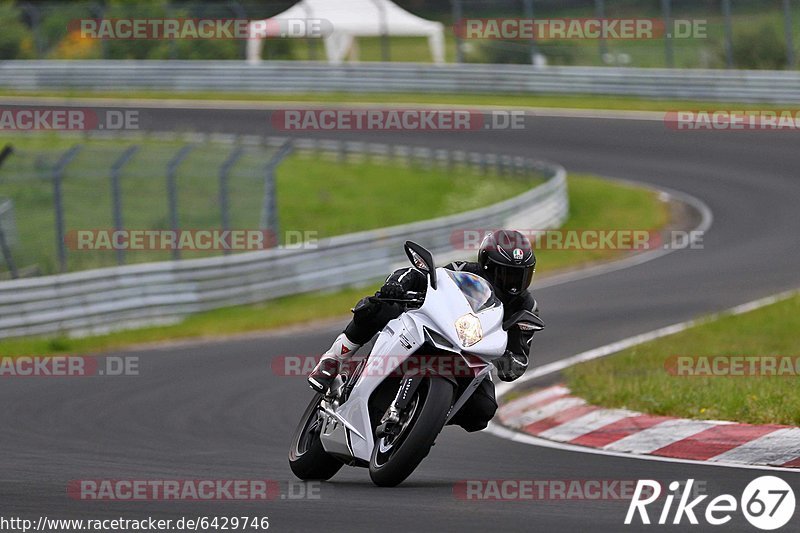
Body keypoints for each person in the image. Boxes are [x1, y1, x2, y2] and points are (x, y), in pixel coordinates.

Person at [307, 229, 542, 432]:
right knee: (376, 308)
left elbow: (519, 358)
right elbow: (427, 277)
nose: (513, 284)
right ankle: (333, 359)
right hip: (438, 326)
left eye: (520, 275)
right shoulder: (464, 271)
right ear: (487, 266)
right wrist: (398, 285)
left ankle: (422, 418)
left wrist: (510, 361)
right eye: (506, 274)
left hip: (473, 354)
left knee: (482, 411)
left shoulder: (527, 306)